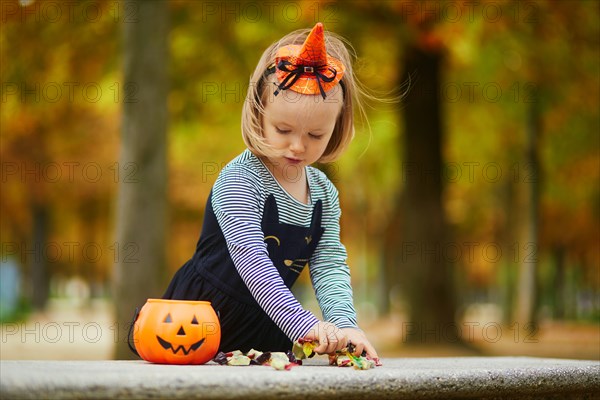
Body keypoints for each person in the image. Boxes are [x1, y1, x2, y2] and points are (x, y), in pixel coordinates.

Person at [163, 22, 380, 364]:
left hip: (269, 326)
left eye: (316, 135)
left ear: (335, 129)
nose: (297, 145)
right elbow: (251, 259)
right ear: (260, 114)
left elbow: (328, 266)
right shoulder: (240, 179)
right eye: (283, 129)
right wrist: (302, 323)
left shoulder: (324, 195)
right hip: (201, 324)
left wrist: (345, 326)